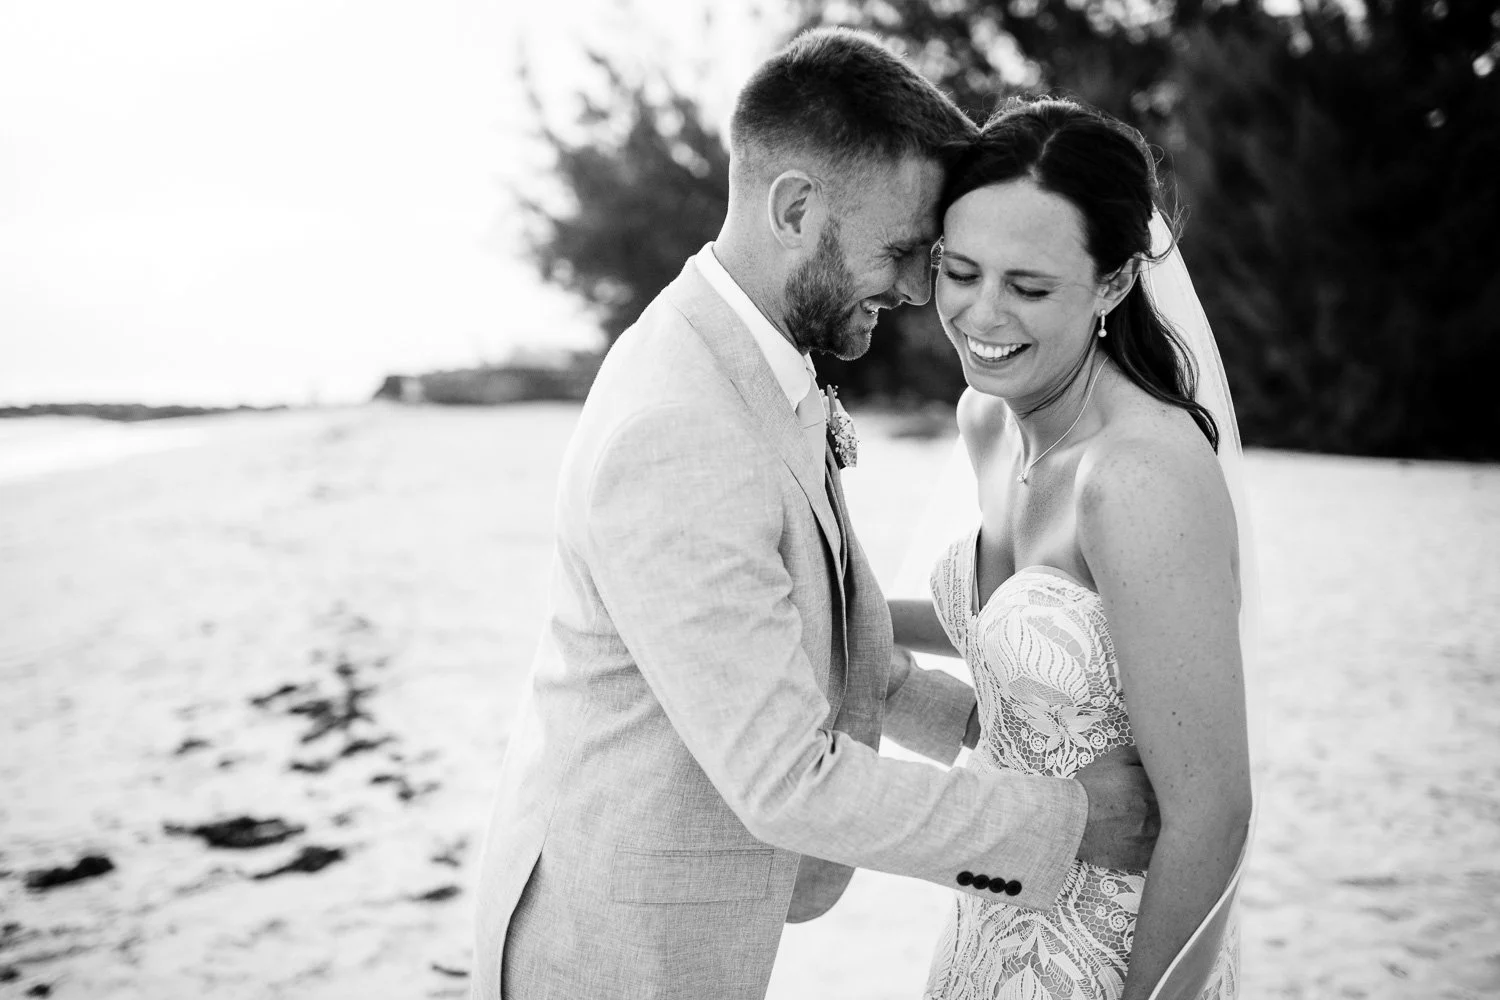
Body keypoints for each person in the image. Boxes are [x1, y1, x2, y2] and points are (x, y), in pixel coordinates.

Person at [469, 32, 1159, 1000]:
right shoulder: (683, 426)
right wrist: (1070, 818)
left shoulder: (744, 361)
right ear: (796, 208)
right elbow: (787, 779)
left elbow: (830, 641)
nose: (924, 289)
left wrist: (996, 727)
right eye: (903, 250)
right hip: (613, 954)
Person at [890, 97, 1256, 999]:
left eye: (1029, 286)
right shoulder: (990, 420)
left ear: (1115, 283)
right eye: (959, 270)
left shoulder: (1138, 478)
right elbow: (998, 633)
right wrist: (796, 604)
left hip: (1111, 953)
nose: (981, 313)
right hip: (987, 926)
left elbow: (1212, 815)